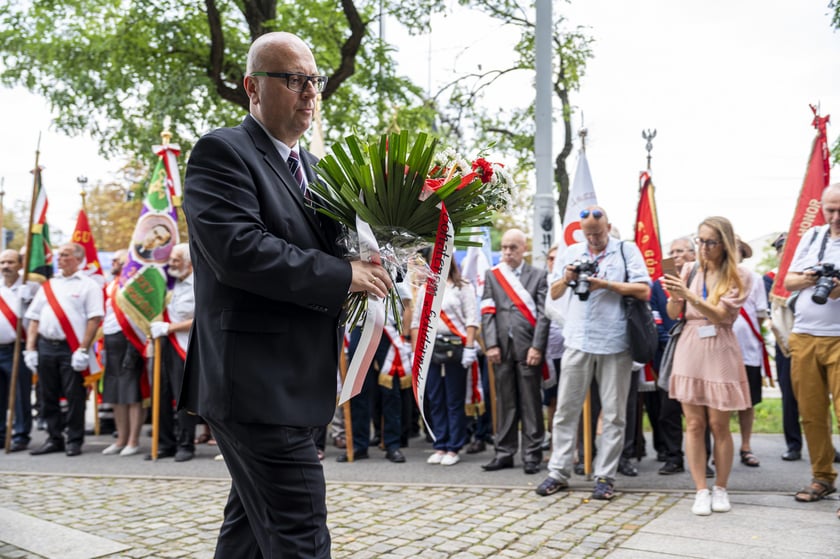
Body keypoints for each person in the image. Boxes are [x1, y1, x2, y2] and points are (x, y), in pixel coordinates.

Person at [180, 31, 392, 558]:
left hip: (292, 383)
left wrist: (388, 256)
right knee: (299, 534)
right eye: (294, 80)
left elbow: (338, 252)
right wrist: (345, 276)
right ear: (253, 87)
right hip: (254, 384)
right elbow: (240, 251)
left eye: (314, 82)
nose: (309, 93)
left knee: (251, 534)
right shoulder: (222, 152)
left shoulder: (313, 171)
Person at [536, 206, 651, 500]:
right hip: (577, 339)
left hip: (615, 342)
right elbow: (555, 293)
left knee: (613, 414)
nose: (594, 239)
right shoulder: (570, 251)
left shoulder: (626, 250)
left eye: (598, 233)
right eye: (589, 234)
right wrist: (567, 277)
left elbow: (643, 290)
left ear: (608, 227)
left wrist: (606, 285)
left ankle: (605, 476)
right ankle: (558, 471)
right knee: (565, 411)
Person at [661, 216, 752, 516]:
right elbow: (675, 312)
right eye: (700, 241)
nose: (703, 248)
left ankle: (721, 487)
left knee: (719, 424)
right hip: (690, 344)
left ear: (724, 244)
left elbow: (721, 317)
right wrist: (675, 295)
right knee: (694, 423)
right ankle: (700, 489)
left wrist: (688, 296)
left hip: (720, 347)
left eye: (710, 242)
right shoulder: (688, 269)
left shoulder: (740, 275)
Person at [784, 183, 840, 511]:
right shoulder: (813, 236)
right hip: (804, 335)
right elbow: (788, 281)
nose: (834, 217)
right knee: (811, 412)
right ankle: (822, 476)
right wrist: (810, 278)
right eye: (829, 210)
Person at [480, 228, 549, 475]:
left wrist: (537, 347)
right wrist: (491, 345)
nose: (507, 252)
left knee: (531, 403)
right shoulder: (492, 275)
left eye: (513, 248)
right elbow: (487, 312)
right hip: (501, 348)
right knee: (505, 402)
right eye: (505, 247)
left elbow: (543, 315)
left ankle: (532, 454)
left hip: (528, 348)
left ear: (524, 248)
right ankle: (504, 452)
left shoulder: (539, 275)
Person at [25, 242, 104, 457]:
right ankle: (54, 438)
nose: (60, 259)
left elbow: (94, 318)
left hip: (71, 348)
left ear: (78, 259)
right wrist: (30, 349)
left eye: (65, 255)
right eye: (59, 255)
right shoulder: (49, 285)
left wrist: (83, 349)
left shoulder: (88, 285)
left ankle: (74, 439)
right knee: (47, 394)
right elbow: (34, 318)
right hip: (46, 346)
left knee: (74, 395)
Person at [411, 261, 478, 467]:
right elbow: (417, 322)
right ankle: (440, 443)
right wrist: (415, 352)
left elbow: (471, 320)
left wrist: (469, 347)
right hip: (430, 347)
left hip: (455, 345)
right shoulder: (426, 288)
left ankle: (454, 446)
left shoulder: (463, 286)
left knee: (454, 397)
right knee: (435, 397)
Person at [148, 243, 196, 462]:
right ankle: (164, 443)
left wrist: (170, 328)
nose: (171, 263)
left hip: (184, 345)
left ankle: (185, 444)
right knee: (161, 393)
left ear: (189, 262)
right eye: (171, 259)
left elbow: (202, 320)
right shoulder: (167, 284)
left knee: (181, 396)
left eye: (176, 260)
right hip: (164, 344)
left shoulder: (199, 284)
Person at [100, 249, 145, 457]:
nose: (113, 263)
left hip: (129, 340)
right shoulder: (110, 285)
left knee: (132, 393)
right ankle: (121, 438)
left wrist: (134, 347)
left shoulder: (133, 285)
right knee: (115, 393)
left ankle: (133, 440)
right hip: (111, 339)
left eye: (116, 260)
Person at [763, 233, 803, 461]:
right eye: (781, 250)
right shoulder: (770, 279)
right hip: (784, 341)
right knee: (789, 395)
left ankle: (826, 444)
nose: (784, 254)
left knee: (818, 396)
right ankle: (793, 444)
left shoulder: (808, 274)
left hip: (811, 337)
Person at [732, 236, 768, 468]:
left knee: (747, 402)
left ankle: (746, 446)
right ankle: (721, 445)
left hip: (748, 350)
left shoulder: (754, 279)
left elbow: (761, 313)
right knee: (720, 402)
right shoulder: (713, 275)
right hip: (721, 350)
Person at [0, 249, 36, 452]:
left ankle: (21, 434)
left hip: (17, 348)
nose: (6, 266)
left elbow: (37, 316)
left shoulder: (30, 287)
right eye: (3, 262)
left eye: (11, 262)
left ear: (20, 265)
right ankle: (0, 434)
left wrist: (28, 300)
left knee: (20, 395)